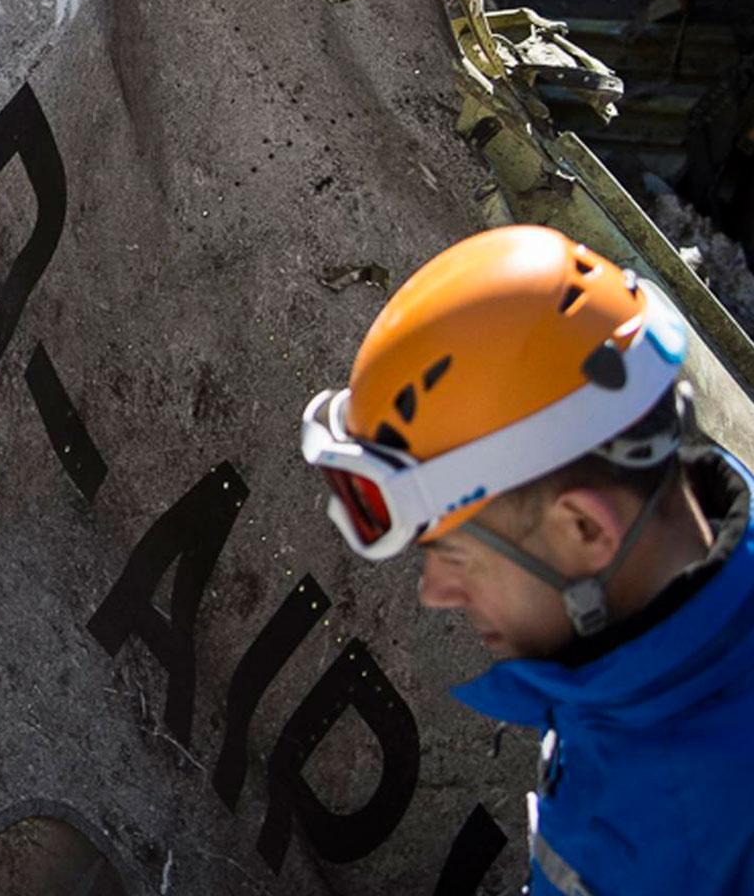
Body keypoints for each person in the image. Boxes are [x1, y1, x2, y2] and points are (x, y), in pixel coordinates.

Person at [300, 224, 754, 896]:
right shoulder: (660, 678)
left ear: (582, 529)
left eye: (452, 553)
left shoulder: (676, 844)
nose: (435, 592)